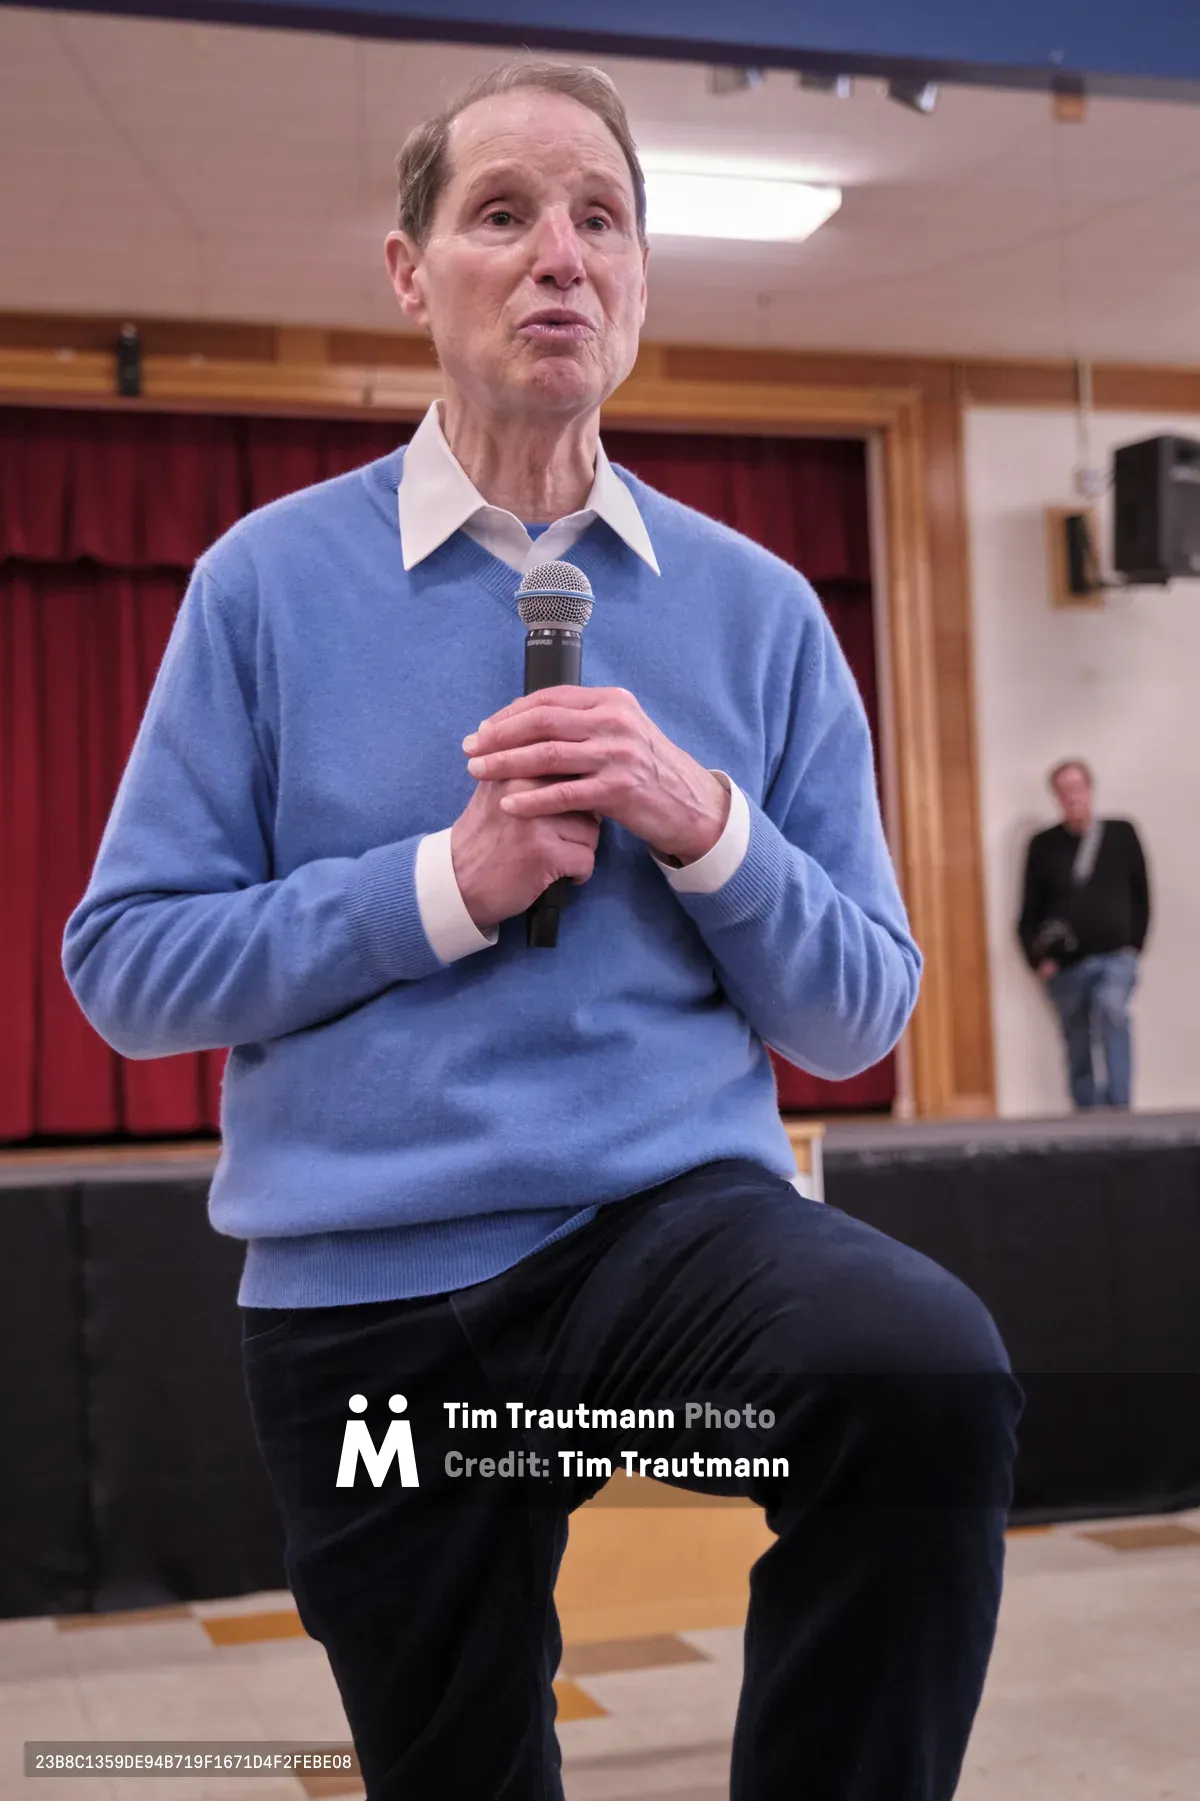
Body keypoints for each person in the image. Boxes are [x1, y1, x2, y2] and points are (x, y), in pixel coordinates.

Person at [63, 59, 1019, 1801]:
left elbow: (859, 1008)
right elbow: (126, 965)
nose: (558, 254)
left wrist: (705, 821)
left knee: (918, 1379)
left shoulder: (762, 608)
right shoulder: (264, 587)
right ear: (413, 276)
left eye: (602, 218)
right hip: (375, 1313)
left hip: (665, 1255)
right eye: (501, 213)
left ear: (640, 280)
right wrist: (448, 885)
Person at [1018, 759, 1150, 1110]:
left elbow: (1142, 895)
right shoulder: (1042, 846)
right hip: (1067, 966)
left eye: (1078, 788)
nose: (1073, 797)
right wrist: (1037, 959)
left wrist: (1133, 946)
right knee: (1076, 1040)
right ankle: (1086, 1114)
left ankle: (1120, 1108)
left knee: (1112, 1011)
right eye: (1064, 790)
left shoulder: (1121, 834)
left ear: (1090, 790)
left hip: (1115, 957)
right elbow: (1028, 910)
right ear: (1056, 797)